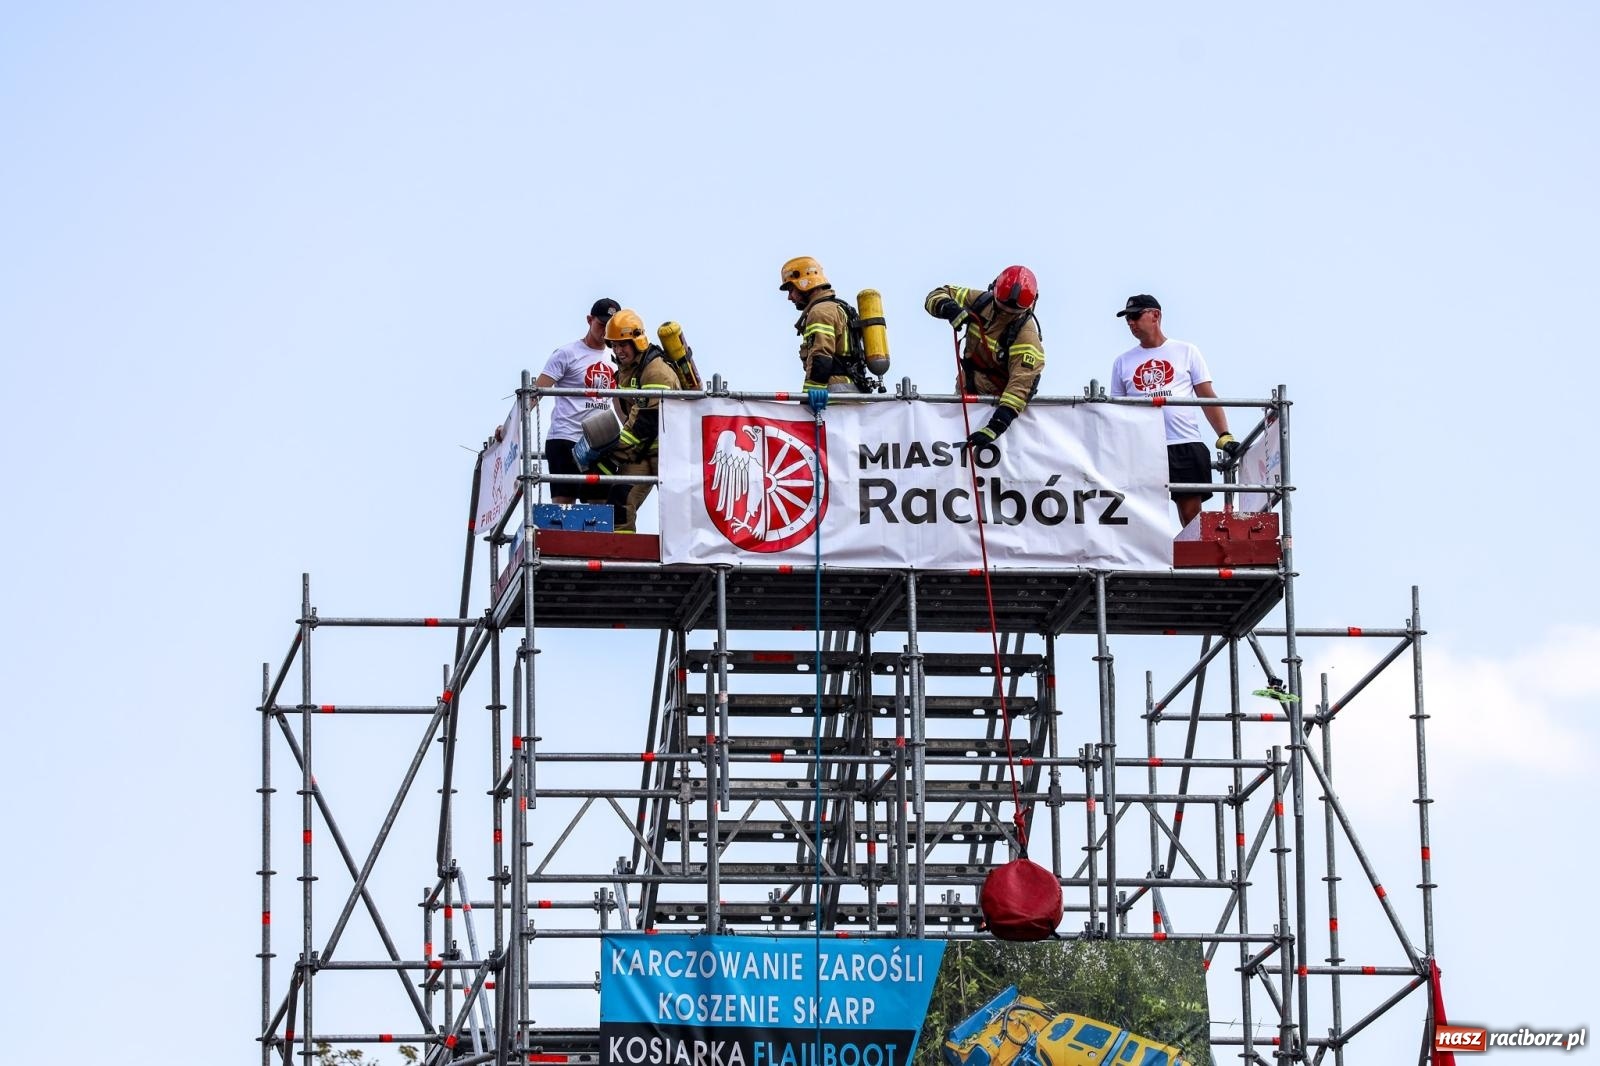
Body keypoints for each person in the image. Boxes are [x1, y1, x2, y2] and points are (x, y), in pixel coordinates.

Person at [1109, 294, 1240, 527]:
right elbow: (1118, 413)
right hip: (1144, 447)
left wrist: (1224, 435)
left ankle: (1194, 562)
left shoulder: (1186, 351)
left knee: (1190, 518)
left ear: (1155, 315)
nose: (1130, 323)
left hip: (1184, 442)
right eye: (1127, 318)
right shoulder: (1122, 362)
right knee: (1145, 519)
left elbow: (1206, 396)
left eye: (1136, 316)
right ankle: (1157, 562)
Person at [924, 265, 1045, 449]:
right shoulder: (981, 301)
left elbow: (1021, 386)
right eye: (1002, 307)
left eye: (1013, 312)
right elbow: (937, 294)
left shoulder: (1026, 336)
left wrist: (996, 426)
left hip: (995, 407)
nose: (1005, 314)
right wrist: (949, 309)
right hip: (965, 397)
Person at [596, 310, 677, 532]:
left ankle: (685, 563)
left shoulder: (656, 371)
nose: (618, 351)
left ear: (637, 341)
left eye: (623, 344)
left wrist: (616, 449)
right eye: (614, 345)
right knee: (619, 504)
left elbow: (646, 422)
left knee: (678, 511)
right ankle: (623, 559)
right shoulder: (626, 370)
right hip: (644, 450)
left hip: (670, 453)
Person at [536, 298, 620, 505]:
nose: (605, 331)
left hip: (600, 441)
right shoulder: (567, 353)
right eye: (601, 324)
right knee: (565, 507)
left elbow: (619, 404)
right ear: (589, 320)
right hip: (566, 438)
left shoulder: (617, 358)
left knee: (599, 508)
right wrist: (509, 427)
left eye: (611, 326)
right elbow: (534, 393)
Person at [778, 256, 865, 413]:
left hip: (833, 398)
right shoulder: (837, 307)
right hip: (852, 394)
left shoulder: (820, 312)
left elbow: (821, 356)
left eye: (791, 289)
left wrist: (807, 403)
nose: (789, 297)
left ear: (804, 282)